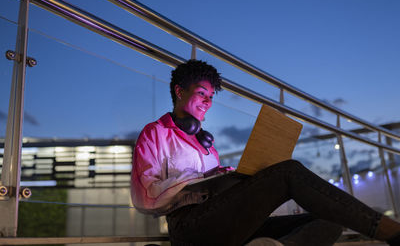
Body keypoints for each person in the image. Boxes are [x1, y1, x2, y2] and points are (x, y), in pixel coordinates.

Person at [131, 60, 400, 246]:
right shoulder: (155, 133)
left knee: (330, 219)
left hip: (225, 223)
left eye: (211, 96)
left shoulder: (209, 147)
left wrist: (233, 179)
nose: (208, 101)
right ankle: (389, 230)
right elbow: (144, 198)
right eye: (202, 93)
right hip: (189, 229)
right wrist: (198, 180)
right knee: (288, 171)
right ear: (179, 91)